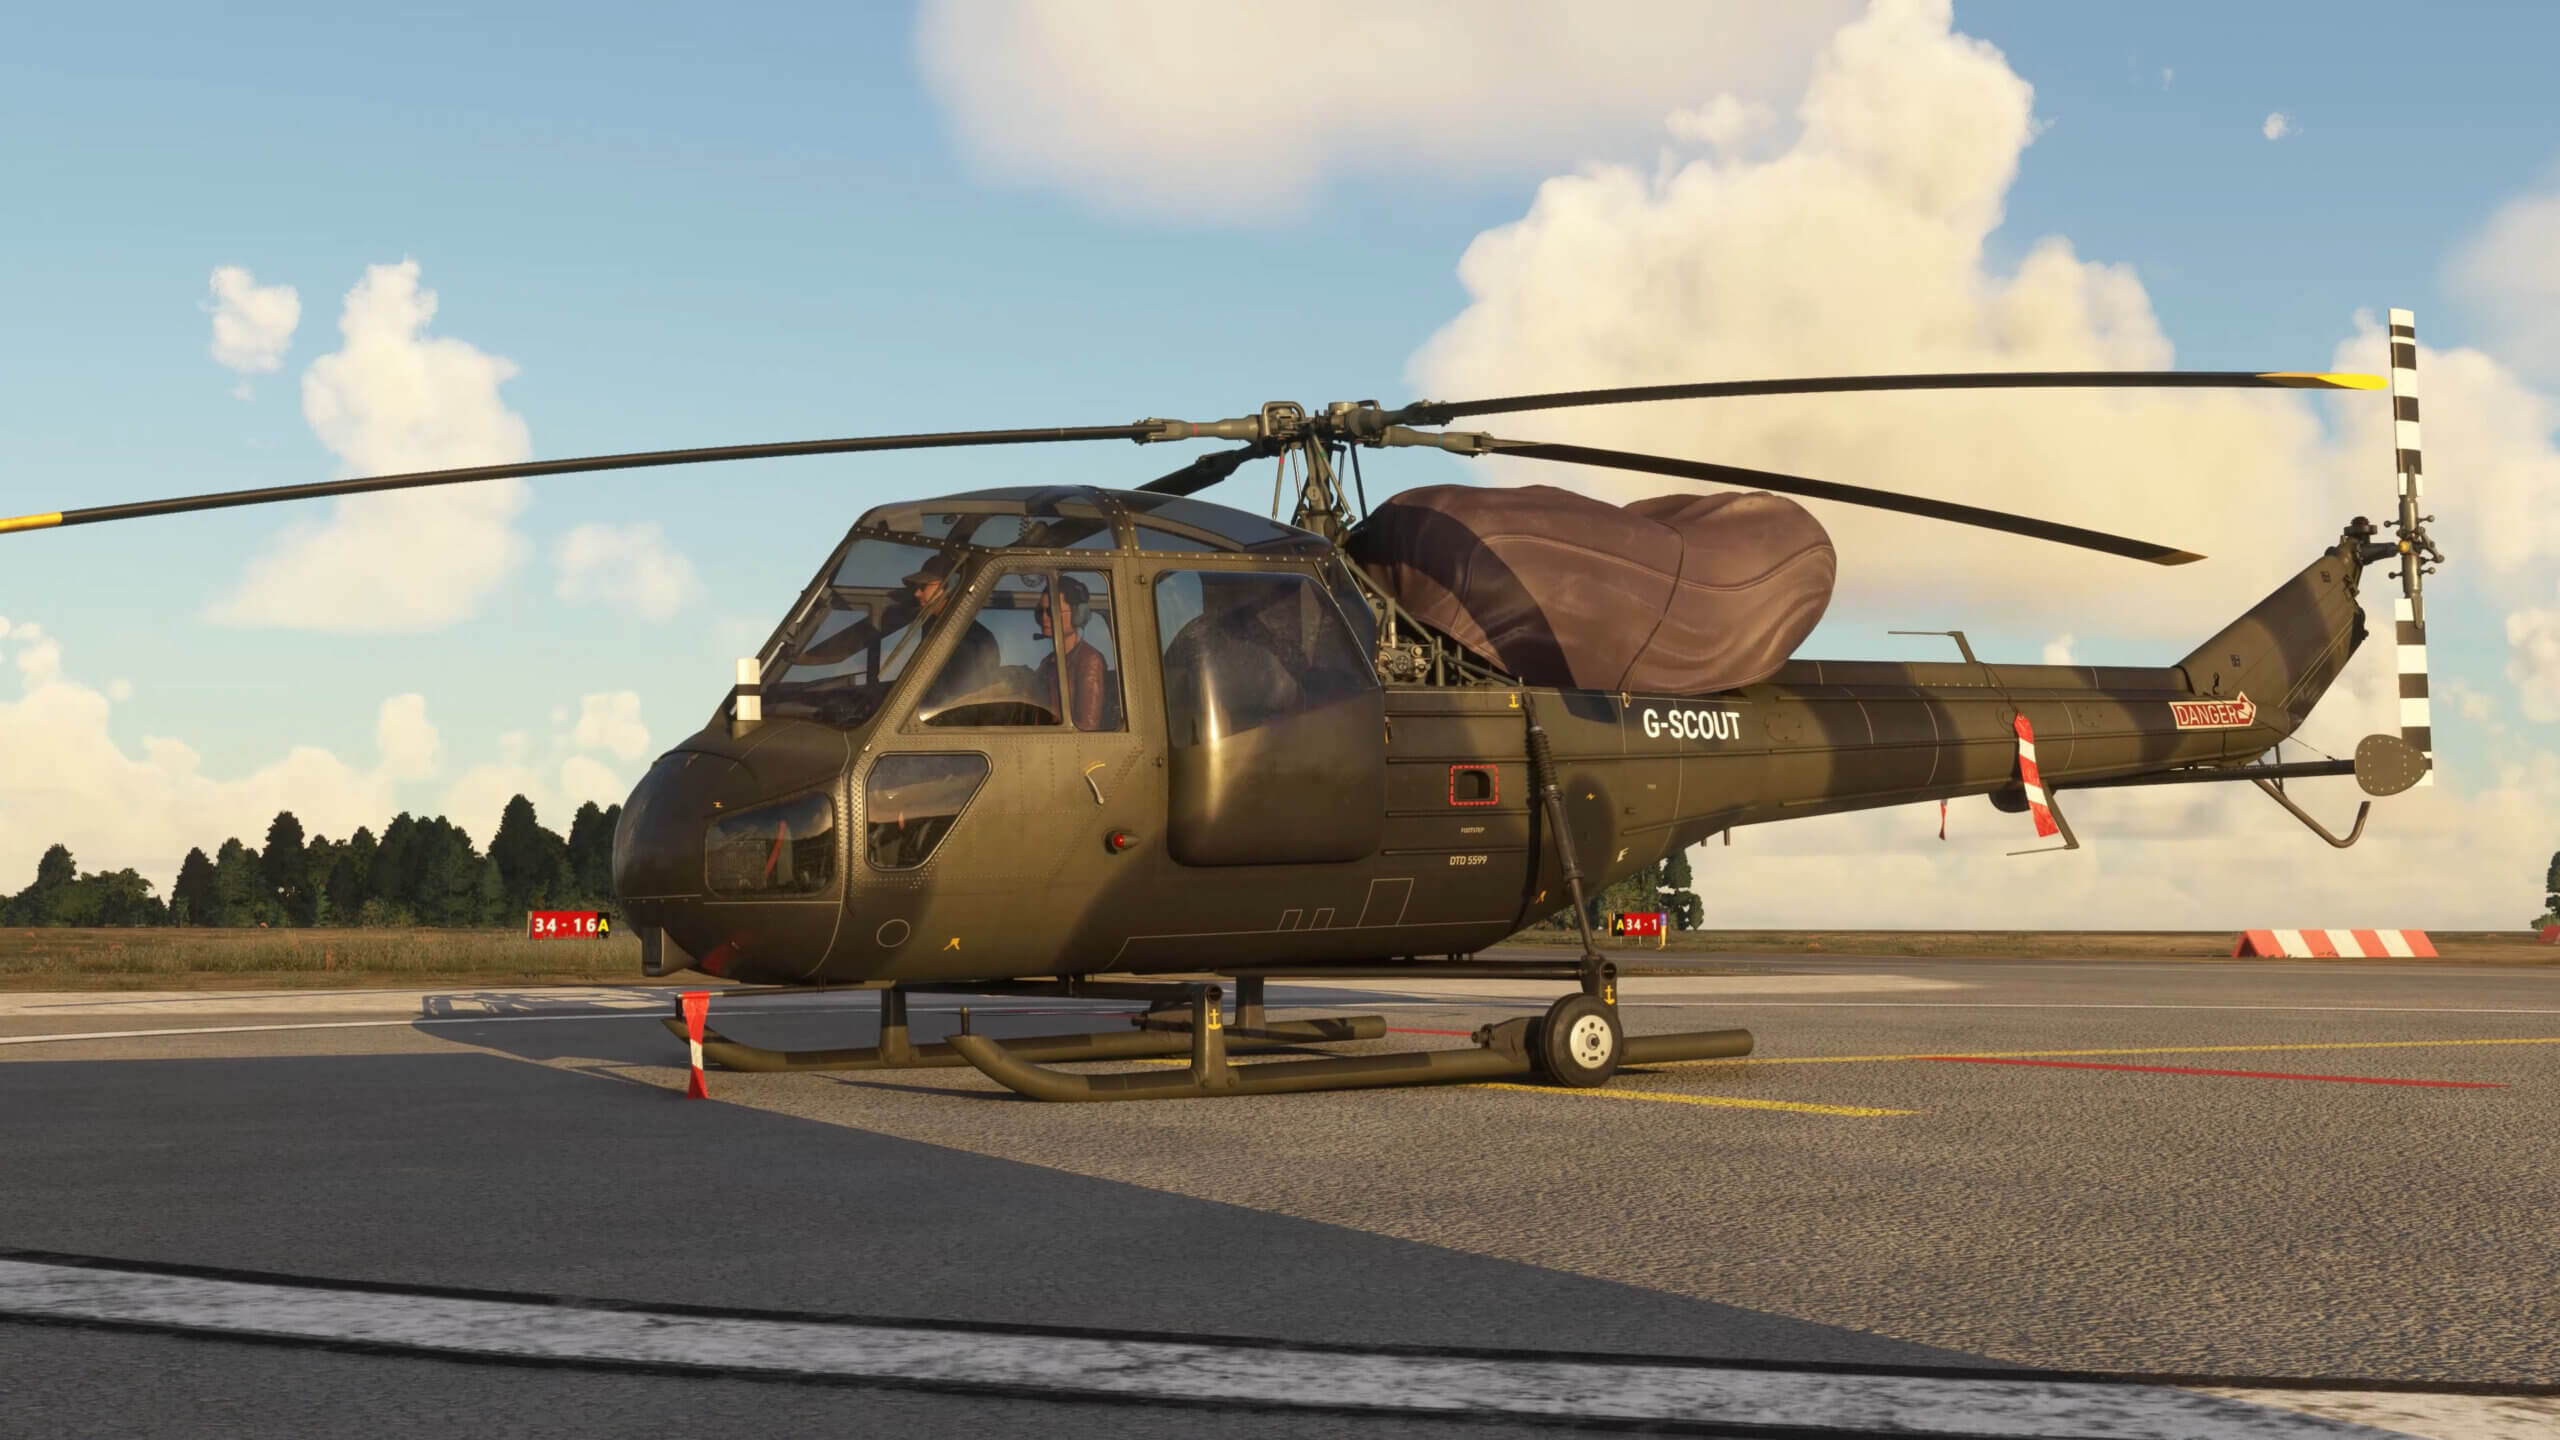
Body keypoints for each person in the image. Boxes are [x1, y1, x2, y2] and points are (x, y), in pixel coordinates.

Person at [1034, 575, 1111, 730]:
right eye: (1040, 611)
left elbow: (1086, 728)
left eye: (1051, 611)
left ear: (1077, 615)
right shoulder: (1048, 662)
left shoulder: (1089, 660)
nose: (1044, 617)